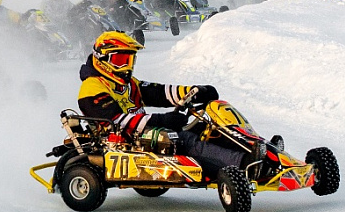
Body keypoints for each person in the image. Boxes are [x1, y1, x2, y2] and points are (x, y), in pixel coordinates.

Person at [77, 32, 257, 175]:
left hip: (140, 133)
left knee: (203, 127)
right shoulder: (92, 87)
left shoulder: (128, 83)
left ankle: (252, 148)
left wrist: (194, 91)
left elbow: (159, 92)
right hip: (120, 138)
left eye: (130, 60)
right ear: (103, 59)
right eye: (121, 61)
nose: (127, 66)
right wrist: (163, 120)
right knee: (183, 138)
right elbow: (115, 120)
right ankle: (242, 163)